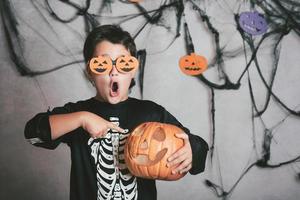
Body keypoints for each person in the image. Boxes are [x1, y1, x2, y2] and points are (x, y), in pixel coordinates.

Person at [24, 24, 208, 200]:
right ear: (90, 72)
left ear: (132, 71)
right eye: (102, 65)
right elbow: (33, 133)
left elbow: (196, 146)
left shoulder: (152, 113)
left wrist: (192, 148)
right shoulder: (77, 112)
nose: (114, 72)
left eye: (123, 64)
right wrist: (82, 119)